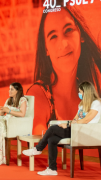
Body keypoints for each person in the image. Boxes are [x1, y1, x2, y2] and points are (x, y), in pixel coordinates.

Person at [27, 1, 101, 135]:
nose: (63, 43)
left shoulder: (90, 95)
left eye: (68, 30)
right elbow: (39, 154)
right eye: (53, 36)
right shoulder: (37, 97)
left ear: (81, 36)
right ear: (46, 49)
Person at [23, 81, 101, 176]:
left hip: (85, 132)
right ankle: (52, 169)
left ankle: (38, 149)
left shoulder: (96, 103)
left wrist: (68, 125)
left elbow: (85, 120)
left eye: (80, 92)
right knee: (52, 139)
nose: (79, 94)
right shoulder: (81, 104)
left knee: (52, 129)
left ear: (87, 92)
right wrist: (68, 124)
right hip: (75, 130)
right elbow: (74, 120)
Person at [0, 82, 28, 165]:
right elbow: (2, 115)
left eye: (12, 89)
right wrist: (2, 111)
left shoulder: (22, 100)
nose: (9, 91)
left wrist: (9, 110)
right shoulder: (9, 100)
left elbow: (22, 114)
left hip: (14, 123)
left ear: (17, 91)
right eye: (9, 89)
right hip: (6, 120)